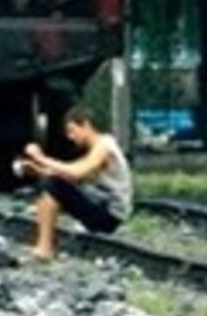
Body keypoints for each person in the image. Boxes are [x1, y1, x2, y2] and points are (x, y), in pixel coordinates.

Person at [17, 107, 132, 261]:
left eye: (72, 131)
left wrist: (41, 158)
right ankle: (45, 245)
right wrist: (37, 170)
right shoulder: (96, 149)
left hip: (109, 216)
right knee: (50, 183)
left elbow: (77, 172)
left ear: (85, 125)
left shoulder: (104, 146)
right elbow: (70, 176)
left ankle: (45, 248)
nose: (71, 137)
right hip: (102, 208)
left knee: (52, 185)